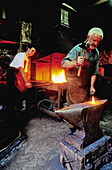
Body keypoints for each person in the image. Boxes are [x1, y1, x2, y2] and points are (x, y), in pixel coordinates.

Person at [62, 27, 104, 106]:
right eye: (94, 40)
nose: (95, 44)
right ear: (88, 37)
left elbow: (94, 72)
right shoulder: (78, 49)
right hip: (74, 87)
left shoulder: (96, 53)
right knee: (73, 112)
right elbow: (64, 64)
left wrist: (92, 87)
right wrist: (75, 63)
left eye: (98, 42)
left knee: (84, 110)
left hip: (85, 88)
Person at [7, 45, 36, 113]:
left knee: (22, 90)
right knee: (15, 92)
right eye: (32, 50)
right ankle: (12, 110)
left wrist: (27, 80)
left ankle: (20, 108)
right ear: (28, 49)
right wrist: (26, 82)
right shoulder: (21, 55)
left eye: (34, 52)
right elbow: (21, 69)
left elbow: (25, 72)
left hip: (18, 75)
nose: (32, 53)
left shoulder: (27, 59)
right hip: (13, 73)